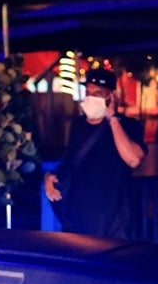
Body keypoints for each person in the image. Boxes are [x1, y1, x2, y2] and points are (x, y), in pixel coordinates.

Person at [43, 68, 145, 239]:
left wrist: (113, 119)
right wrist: (49, 177)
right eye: (88, 92)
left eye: (97, 93)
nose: (90, 97)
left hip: (112, 225)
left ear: (111, 97)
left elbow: (134, 160)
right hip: (76, 222)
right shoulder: (78, 125)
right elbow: (70, 164)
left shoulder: (127, 125)